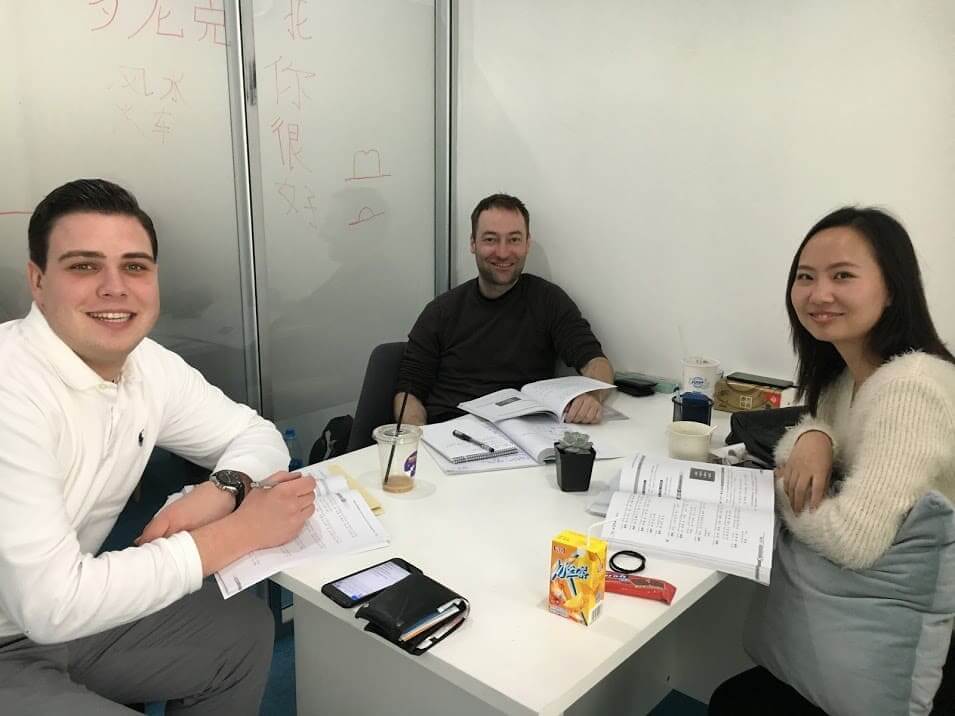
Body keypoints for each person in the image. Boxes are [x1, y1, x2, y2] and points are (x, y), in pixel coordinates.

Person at [0, 179, 318, 714]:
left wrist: (223, 489)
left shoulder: (147, 365)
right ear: (37, 281)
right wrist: (237, 532)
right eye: (83, 266)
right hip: (25, 626)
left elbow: (255, 435)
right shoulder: (12, 386)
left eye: (134, 266)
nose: (114, 287)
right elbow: (49, 603)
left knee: (238, 632)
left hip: (58, 623)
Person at [710, 206, 955, 714]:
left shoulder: (911, 387)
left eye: (842, 275)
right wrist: (813, 436)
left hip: (917, 649)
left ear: (891, 289)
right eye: (805, 277)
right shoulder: (846, 379)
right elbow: (813, 429)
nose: (818, 294)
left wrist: (771, 488)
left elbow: (853, 539)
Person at [394, 193, 613, 425]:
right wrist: (417, 440)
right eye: (490, 239)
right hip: (450, 433)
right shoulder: (440, 312)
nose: (502, 252)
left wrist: (592, 396)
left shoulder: (548, 301)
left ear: (527, 243)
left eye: (514, 240)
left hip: (523, 440)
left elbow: (596, 362)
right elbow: (409, 392)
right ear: (473, 243)